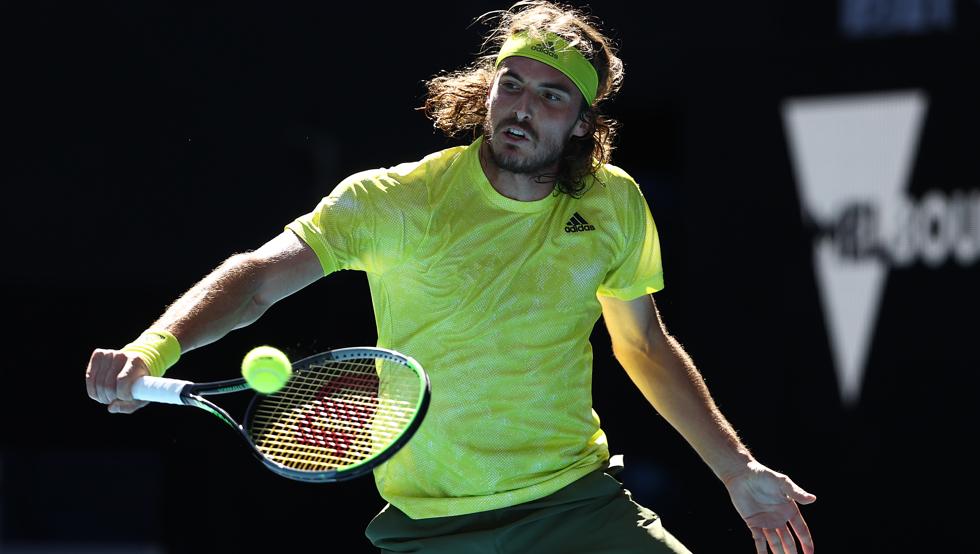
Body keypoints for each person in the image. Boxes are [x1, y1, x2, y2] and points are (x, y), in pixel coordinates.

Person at [85, 2, 816, 552]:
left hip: (572, 505)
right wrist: (153, 348)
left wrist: (736, 469)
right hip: (429, 528)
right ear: (486, 90)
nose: (523, 108)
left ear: (582, 124)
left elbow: (644, 347)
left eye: (551, 96)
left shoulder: (613, 203)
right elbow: (257, 279)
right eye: (511, 84)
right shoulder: (395, 201)